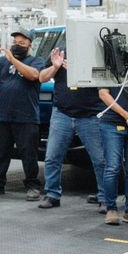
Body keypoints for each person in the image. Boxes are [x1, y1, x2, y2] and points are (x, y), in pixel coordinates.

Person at [0, 30, 45, 200]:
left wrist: (13, 60)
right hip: (3, 115)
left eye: (22, 43)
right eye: (15, 42)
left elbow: (33, 75)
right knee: (0, 152)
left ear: (30, 45)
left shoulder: (36, 61)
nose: (17, 45)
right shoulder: (3, 61)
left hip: (26, 116)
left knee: (28, 154)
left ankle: (32, 186)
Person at [39, 47, 105, 211]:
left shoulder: (97, 52)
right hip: (62, 113)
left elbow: (106, 80)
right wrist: (55, 67)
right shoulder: (60, 52)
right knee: (52, 156)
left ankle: (106, 198)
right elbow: (42, 77)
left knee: (100, 159)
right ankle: (52, 194)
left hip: (90, 115)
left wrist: (80, 71)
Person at [98, 86, 128, 225]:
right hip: (111, 123)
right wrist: (127, 115)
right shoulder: (111, 65)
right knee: (112, 168)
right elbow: (103, 94)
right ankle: (111, 209)